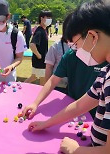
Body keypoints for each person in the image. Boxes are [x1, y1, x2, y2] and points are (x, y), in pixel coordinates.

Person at [27, 1, 110, 153]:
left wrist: (75, 150)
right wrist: (46, 123)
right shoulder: (105, 73)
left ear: (92, 36)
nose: (76, 51)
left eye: (76, 45)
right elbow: (80, 106)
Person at [24, 11, 52, 86]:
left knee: (34, 77)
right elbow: (32, 44)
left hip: (40, 60)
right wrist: (39, 55)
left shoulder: (44, 30)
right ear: (42, 18)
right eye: (48, 17)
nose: (50, 19)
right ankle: (41, 96)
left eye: (50, 18)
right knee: (43, 80)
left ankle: (22, 85)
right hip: (40, 61)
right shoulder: (39, 31)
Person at [44, 17, 70, 93]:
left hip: (74, 87)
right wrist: (47, 90)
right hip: (58, 87)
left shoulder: (81, 47)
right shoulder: (55, 46)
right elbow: (49, 68)